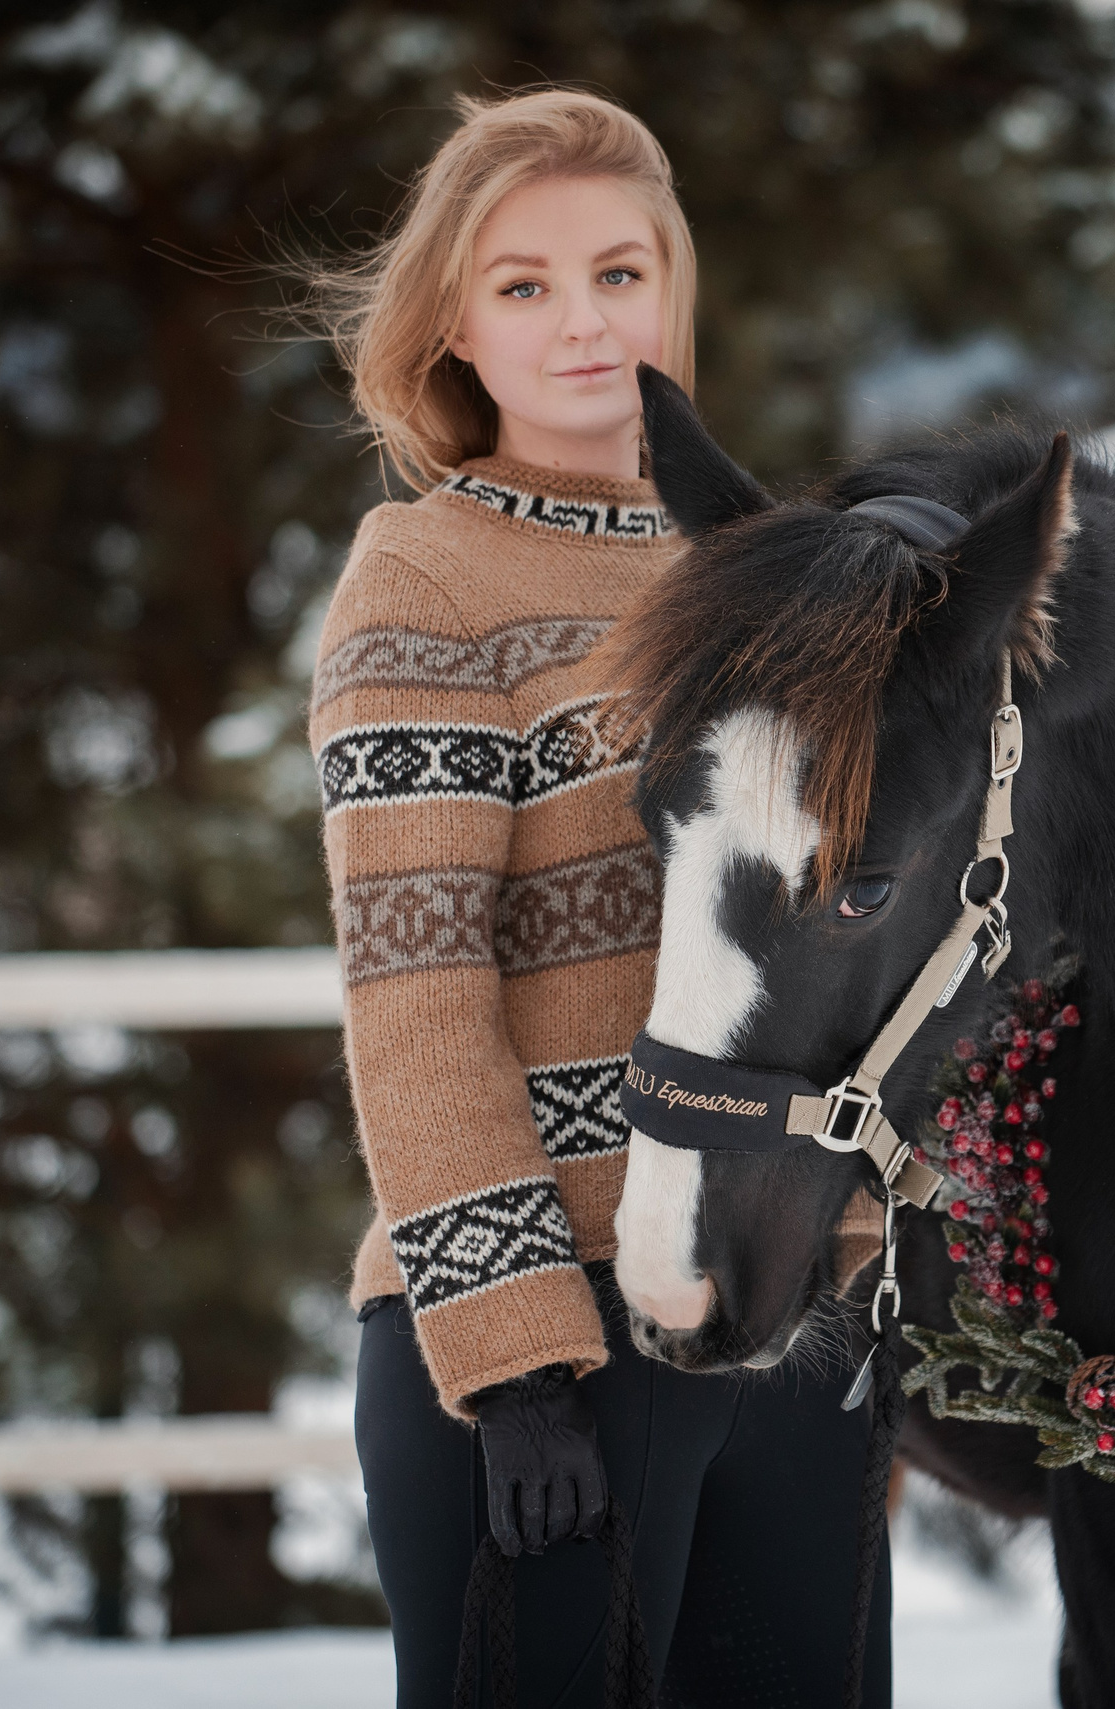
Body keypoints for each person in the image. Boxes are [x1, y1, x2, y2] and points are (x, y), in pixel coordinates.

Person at [306, 89, 892, 1708]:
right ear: (455, 328)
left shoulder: (766, 571)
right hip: (548, 1340)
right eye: (525, 285)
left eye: (619, 275)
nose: (584, 323)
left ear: (673, 289)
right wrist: (514, 1365)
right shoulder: (424, 581)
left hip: (783, 1313)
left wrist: (863, 1257)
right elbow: (416, 996)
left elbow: (845, 942)